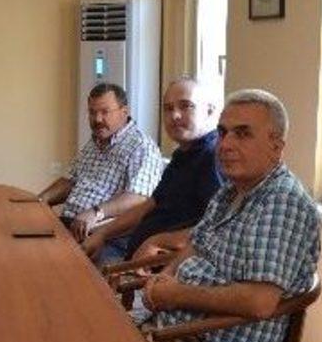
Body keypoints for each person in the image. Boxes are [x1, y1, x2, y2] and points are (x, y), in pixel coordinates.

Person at [136, 89, 320, 342]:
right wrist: (164, 279)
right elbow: (195, 244)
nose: (226, 144)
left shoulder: (283, 202)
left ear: (276, 146)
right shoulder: (230, 191)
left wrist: (175, 294)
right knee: (91, 336)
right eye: (223, 133)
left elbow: (259, 302)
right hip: (176, 330)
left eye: (243, 134)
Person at [82, 78, 223, 263]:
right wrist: (103, 233)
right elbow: (149, 205)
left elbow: (219, 228)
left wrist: (158, 241)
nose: (175, 115)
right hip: (133, 258)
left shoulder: (213, 157)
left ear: (210, 110)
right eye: (168, 109)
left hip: (160, 269)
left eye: (186, 106)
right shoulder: (182, 155)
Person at [36, 83, 164, 241]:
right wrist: (40, 200)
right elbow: (71, 181)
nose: (97, 119)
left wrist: (96, 212)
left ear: (124, 112)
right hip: (70, 225)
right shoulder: (95, 142)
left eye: (105, 112)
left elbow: (138, 199)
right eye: (92, 112)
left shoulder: (142, 146)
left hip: (106, 235)